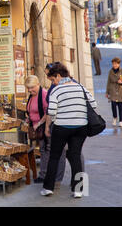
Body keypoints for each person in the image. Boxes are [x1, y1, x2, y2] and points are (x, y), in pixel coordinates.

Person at [41, 63, 97, 198]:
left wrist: (47, 127)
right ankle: (78, 190)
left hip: (62, 127)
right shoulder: (81, 87)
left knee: (54, 156)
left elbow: (51, 111)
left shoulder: (56, 90)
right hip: (80, 128)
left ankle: (48, 188)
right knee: (76, 156)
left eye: (53, 80)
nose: (53, 83)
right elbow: (93, 104)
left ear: (58, 76)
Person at [25, 75, 65, 187]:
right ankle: (44, 174)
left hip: (44, 127)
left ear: (38, 84)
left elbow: (48, 111)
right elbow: (32, 110)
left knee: (46, 150)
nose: (30, 90)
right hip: (37, 128)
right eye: (28, 88)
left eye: (32, 87)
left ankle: (46, 175)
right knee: (43, 150)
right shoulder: (32, 95)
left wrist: (40, 123)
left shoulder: (43, 94)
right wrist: (29, 118)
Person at [106, 57, 122, 128]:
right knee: (113, 105)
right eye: (113, 64)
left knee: (120, 106)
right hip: (113, 90)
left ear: (119, 64)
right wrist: (107, 92)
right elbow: (108, 82)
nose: (115, 65)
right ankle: (115, 117)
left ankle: (121, 121)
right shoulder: (110, 71)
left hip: (120, 91)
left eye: (116, 64)